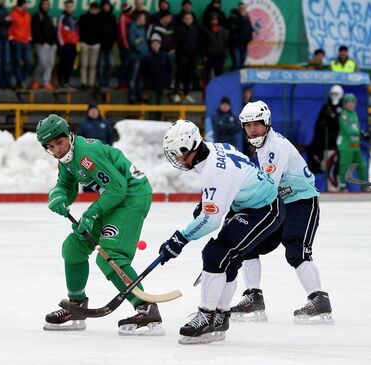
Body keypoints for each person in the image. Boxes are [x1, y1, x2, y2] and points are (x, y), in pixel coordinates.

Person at [159, 120, 284, 344]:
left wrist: (179, 239)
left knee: (215, 254)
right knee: (228, 259)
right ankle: (221, 316)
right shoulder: (216, 147)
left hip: (264, 210)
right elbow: (230, 180)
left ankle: (207, 317)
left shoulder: (214, 172)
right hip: (248, 205)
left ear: (189, 149)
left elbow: (211, 221)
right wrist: (207, 200)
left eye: (178, 154)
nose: (177, 159)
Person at [38, 114, 164, 336]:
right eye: (51, 147)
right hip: (115, 198)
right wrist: (58, 195)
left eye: (59, 142)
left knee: (109, 255)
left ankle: (146, 309)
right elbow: (66, 186)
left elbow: (117, 187)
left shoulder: (86, 154)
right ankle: (77, 306)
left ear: (68, 135)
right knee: (73, 247)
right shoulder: (66, 160)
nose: (57, 150)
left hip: (132, 196)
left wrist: (91, 213)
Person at [231, 101, 333, 324]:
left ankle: (319, 299)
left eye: (256, 125)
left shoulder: (274, 146)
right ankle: (253, 298)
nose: (252, 130)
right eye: (247, 126)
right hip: (282, 202)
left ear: (266, 123)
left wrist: (237, 203)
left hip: (302, 201)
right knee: (250, 244)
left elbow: (267, 186)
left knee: (296, 250)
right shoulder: (263, 146)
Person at [307, 85, 344, 184]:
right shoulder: (327, 106)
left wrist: (333, 117)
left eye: (336, 94)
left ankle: (337, 183)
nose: (334, 96)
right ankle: (318, 170)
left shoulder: (343, 107)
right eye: (332, 94)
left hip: (337, 139)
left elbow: (340, 124)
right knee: (313, 150)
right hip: (324, 138)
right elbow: (320, 123)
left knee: (334, 163)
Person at [337, 93, 367, 190]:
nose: (351, 104)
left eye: (353, 102)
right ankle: (342, 186)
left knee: (361, 166)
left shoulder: (354, 114)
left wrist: (361, 134)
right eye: (348, 102)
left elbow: (355, 128)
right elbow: (347, 130)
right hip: (346, 145)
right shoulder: (343, 115)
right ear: (344, 104)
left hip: (355, 145)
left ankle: (364, 186)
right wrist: (360, 133)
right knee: (345, 166)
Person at [142, 33, 171, 118]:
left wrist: (168, 83)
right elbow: (144, 72)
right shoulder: (146, 57)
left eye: (157, 43)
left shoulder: (165, 56)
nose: (155, 45)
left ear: (160, 44)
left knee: (161, 107)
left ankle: (161, 123)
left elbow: (169, 71)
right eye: (153, 43)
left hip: (162, 85)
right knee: (152, 107)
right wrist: (146, 84)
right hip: (151, 86)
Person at [31, 0, 56, 90]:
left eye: (47, 5)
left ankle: (46, 81)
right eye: (44, 4)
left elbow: (53, 30)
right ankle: (36, 80)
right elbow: (35, 31)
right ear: (41, 5)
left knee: (50, 64)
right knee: (42, 63)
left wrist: (53, 42)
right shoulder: (37, 16)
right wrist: (42, 41)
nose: (45, 6)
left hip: (50, 44)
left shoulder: (49, 17)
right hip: (41, 44)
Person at [8, 0, 33, 88]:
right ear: (20, 5)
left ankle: (22, 79)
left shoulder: (27, 14)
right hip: (16, 41)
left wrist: (29, 37)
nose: (26, 6)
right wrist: (11, 37)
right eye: (25, 4)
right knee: (16, 62)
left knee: (29, 62)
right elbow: (9, 27)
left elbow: (29, 27)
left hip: (26, 42)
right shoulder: (13, 14)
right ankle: (20, 81)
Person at [77, 2, 101, 90]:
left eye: (96, 9)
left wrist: (99, 42)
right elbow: (79, 30)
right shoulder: (83, 17)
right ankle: (83, 83)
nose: (94, 10)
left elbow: (102, 32)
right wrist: (81, 41)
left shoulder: (100, 19)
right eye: (93, 8)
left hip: (95, 45)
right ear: (90, 8)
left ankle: (91, 83)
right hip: (85, 44)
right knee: (84, 65)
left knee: (93, 66)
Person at [56, 0, 79, 88]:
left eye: (71, 7)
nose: (69, 8)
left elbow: (76, 32)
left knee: (70, 64)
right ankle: (60, 82)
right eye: (68, 6)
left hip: (73, 45)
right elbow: (58, 32)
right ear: (65, 7)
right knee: (62, 64)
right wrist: (62, 44)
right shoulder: (62, 17)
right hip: (64, 46)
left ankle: (66, 82)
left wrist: (76, 43)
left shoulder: (74, 19)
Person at [127, 11, 148, 104]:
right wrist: (140, 51)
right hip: (135, 57)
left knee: (140, 77)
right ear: (139, 18)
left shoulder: (142, 29)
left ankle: (139, 95)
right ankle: (132, 96)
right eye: (143, 18)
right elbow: (133, 42)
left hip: (143, 56)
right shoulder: (132, 28)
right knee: (133, 77)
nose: (145, 20)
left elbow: (143, 42)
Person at [97, 0, 117, 90]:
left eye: (107, 6)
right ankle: (101, 85)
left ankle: (105, 82)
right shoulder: (99, 16)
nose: (106, 7)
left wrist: (112, 42)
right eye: (104, 6)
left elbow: (115, 32)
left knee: (111, 65)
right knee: (100, 66)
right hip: (100, 46)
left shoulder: (112, 17)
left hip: (109, 46)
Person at [228, 2, 252, 70]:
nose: (242, 9)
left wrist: (249, 38)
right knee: (236, 64)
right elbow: (230, 26)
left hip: (244, 43)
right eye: (241, 8)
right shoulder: (233, 16)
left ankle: (238, 79)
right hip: (235, 44)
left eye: (244, 8)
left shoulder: (247, 17)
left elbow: (249, 28)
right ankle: (232, 78)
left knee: (242, 64)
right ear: (238, 8)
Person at [116, 2, 133, 90]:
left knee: (128, 65)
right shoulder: (123, 18)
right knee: (124, 65)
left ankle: (126, 82)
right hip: (124, 47)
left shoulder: (128, 18)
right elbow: (122, 34)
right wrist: (126, 45)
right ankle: (121, 83)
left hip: (128, 46)